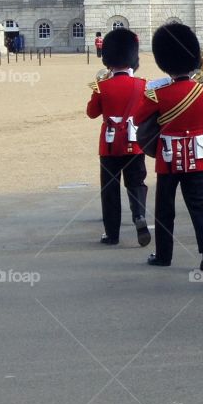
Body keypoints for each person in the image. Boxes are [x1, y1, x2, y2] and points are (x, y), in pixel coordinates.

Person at [135, 23, 203, 270]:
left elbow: (137, 118)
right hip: (197, 156)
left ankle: (164, 255)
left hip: (168, 158)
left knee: (165, 209)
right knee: (199, 205)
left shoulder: (158, 94)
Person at [85, 28, 150, 247]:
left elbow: (92, 113)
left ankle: (112, 234)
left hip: (110, 145)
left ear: (109, 59)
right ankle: (139, 215)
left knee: (110, 189)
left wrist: (97, 89)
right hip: (135, 142)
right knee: (137, 183)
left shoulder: (102, 86)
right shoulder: (143, 84)